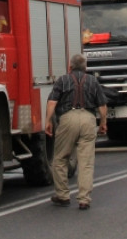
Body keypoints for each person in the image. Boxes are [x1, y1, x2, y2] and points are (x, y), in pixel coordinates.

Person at [45, 54, 108, 210]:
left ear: (70, 67)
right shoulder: (93, 81)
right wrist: (103, 123)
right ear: (85, 67)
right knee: (86, 162)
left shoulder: (62, 80)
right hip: (88, 119)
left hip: (67, 119)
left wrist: (48, 120)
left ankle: (63, 195)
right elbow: (102, 105)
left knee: (60, 158)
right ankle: (84, 199)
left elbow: (52, 102)